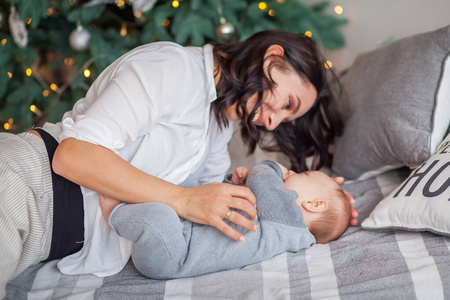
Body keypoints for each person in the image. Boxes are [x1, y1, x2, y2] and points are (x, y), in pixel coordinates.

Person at [0, 30, 357, 297]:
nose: (274, 122)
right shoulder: (173, 69)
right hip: (26, 185)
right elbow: (73, 154)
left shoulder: (219, 125)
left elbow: (216, 209)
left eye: (287, 119)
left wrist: (319, 212)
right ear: (272, 58)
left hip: (47, 239)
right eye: (287, 103)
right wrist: (182, 200)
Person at [100, 160, 352, 279]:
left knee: (157, 218)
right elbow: (228, 203)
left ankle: (114, 211)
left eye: (303, 174)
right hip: (190, 226)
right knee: (185, 179)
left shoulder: (289, 222)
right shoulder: (280, 222)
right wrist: (237, 182)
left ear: (314, 204)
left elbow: (263, 179)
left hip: (173, 255)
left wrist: (270, 168)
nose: (293, 172)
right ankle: (132, 180)